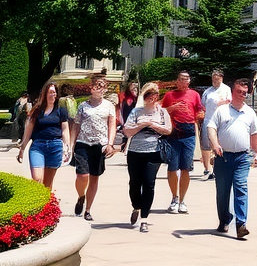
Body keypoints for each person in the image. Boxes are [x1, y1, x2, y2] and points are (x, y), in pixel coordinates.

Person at [207, 77, 257, 240]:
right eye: (239, 91)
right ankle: (224, 219)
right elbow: (211, 128)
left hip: (242, 157)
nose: (242, 95)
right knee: (223, 192)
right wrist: (215, 145)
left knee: (240, 187)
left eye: (245, 92)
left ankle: (241, 224)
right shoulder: (222, 111)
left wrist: (256, 154)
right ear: (232, 92)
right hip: (223, 157)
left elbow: (255, 134)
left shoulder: (250, 112)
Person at [123, 82, 172, 233]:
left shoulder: (162, 112)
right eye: (148, 96)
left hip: (154, 152)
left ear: (157, 97)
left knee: (149, 183)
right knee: (134, 183)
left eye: (154, 96)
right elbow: (127, 131)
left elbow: (168, 130)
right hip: (135, 152)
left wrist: (152, 125)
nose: (151, 99)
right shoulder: (136, 112)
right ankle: (136, 206)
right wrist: (141, 125)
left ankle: (144, 218)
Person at [72, 76, 117, 220]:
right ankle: (81, 196)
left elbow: (112, 125)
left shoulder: (109, 106)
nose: (101, 89)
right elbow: (76, 125)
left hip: (100, 145)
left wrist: (110, 143)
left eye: (103, 86)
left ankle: (88, 209)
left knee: (94, 178)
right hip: (83, 143)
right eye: (98, 85)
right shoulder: (83, 106)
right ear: (91, 88)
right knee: (82, 175)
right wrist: (71, 145)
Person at [161, 69, 204, 214]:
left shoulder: (195, 95)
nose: (183, 81)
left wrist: (200, 115)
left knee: (186, 168)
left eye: (186, 79)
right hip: (173, 134)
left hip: (189, 134)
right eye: (180, 79)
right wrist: (171, 108)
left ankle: (182, 200)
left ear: (189, 81)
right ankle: (174, 197)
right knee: (172, 168)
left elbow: (200, 110)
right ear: (176, 81)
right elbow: (160, 112)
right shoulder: (169, 95)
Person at [17, 80, 72, 192]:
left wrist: (67, 149)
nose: (53, 94)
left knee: (47, 185)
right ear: (45, 94)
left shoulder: (61, 111)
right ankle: (38, 205)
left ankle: (46, 208)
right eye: (51, 92)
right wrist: (22, 148)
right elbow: (28, 132)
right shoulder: (37, 111)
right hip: (38, 146)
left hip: (55, 147)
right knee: (37, 179)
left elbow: (65, 130)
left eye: (55, 92)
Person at [201, 69, 231, 179]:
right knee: (206, 144)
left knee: (218, 144)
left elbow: (229, 102)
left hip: (221, 120)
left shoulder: (226, 89)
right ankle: (207, 168)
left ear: (221, 78)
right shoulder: (207, 91)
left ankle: (218, 168)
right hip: (208, 119)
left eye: (217, 79)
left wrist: (220, 103)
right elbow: (203, 104)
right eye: (213, 79)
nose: (215, 81)